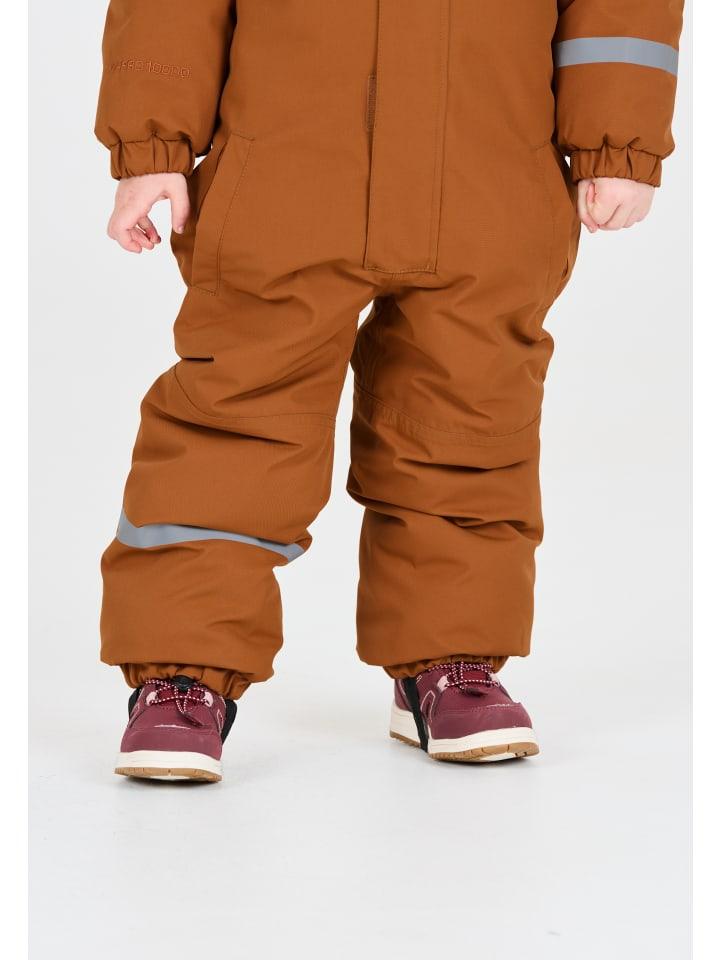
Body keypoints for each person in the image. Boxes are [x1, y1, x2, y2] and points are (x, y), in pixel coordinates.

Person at [95, 1, 683, 781]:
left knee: (468, 417)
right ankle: (181, 670)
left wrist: (619, 142)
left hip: (490, 164)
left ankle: (447, 659)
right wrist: (152, 142)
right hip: (288, 168)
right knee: (236, 421)